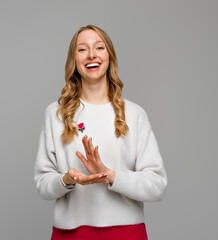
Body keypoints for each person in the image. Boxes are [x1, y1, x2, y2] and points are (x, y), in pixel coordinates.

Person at [34, 24, 168, 240]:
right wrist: (68, 179)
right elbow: (43, 184)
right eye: (82, 49)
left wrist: (109, 175)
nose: (91, 55)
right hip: (71, 233)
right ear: (73, 60)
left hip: (126, 232)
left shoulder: (134, 114)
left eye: (99, 47)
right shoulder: (55, 114)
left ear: (110, 56)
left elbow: (157, 186)